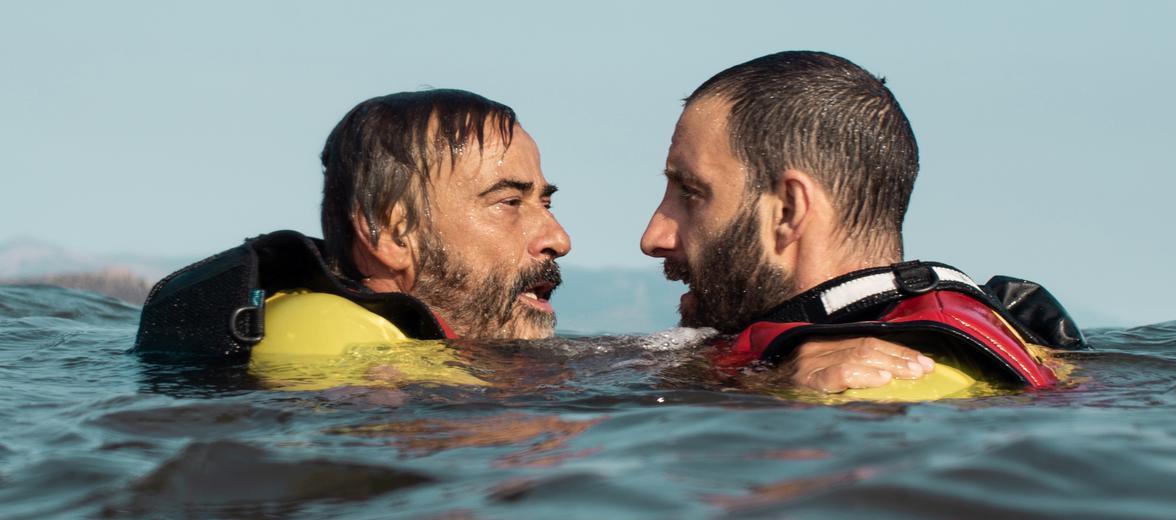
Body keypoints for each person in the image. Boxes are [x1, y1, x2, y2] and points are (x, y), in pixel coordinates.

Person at [640, 51, 1083, 396]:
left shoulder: (874, 389)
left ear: (789, 211)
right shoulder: (789, 365)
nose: (653, 238)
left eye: (692, 193)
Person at [135, 90, 571, 359]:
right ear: (392, 233)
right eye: (510, 202)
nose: (558, 238)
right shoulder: (329, 338)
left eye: (544, 202)